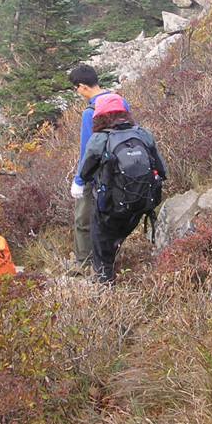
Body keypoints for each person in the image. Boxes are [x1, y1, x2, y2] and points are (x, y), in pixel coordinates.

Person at [77, 93, 166, 285]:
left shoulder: (100, 138)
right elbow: (162, 169)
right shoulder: (142, 134)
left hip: (111, 206)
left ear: (99, 116)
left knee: (101, 240)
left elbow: (85, 173)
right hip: (142, 203)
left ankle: (105, 285)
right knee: (117, 234)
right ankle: (117, 257)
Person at [66, 65, 129, 276]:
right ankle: (109, 258)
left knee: (83, 220)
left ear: (82, 87)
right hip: (120, 174)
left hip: (96, 177)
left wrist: (79, 180)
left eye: (77, 89)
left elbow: (87, 150)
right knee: (109, 219)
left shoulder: (90, 112)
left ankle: (84, 264)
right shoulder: (120, 101)